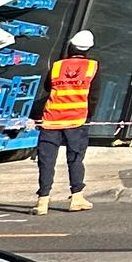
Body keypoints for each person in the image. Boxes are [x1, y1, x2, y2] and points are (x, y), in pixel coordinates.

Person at [36, 30, 98, 214]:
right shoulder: (92, 66)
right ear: (88, 49)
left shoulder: (57, 66)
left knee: (47, 161)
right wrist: (89, 115)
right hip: (76, 120)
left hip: (52, 119)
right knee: (76, 158)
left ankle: (42, 201)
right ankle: (76, 197)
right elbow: (93, 96)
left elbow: (47, 87)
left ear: (70, 46)